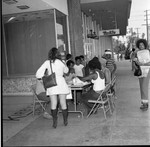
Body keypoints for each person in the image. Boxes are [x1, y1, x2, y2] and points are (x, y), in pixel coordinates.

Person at [36, 47, 70, 128]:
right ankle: (65, 121)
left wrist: (44, 77)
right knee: (63, 103)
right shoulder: (61, 62)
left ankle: (55, 122)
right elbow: (66, 71)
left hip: (52, 84)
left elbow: (38, 74)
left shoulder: (47, 62)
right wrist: (64, 63)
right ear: (57, 54)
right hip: (61, 83)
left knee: (53, 104)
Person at [133, 39, 150, 111]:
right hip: (140, 71)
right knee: (141, 86)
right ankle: (143, 102)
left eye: (142, 45)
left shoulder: (148, 51)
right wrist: (136, 62)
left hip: (147, 70)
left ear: (145, 45)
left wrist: (144, 64)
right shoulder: (137, 53)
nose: (141, 46)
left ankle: (146, 104)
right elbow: (135, 62)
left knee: (144, 87)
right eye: (140, 45)